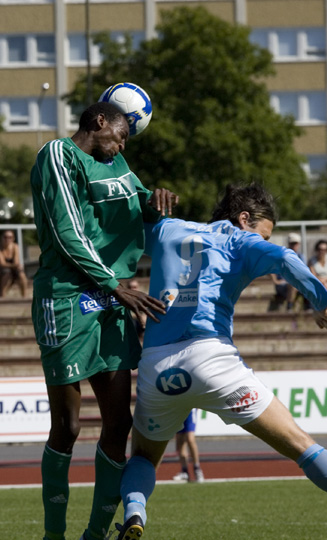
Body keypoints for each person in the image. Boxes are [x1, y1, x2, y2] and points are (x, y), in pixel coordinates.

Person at [114, 184, 327, 540]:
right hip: (211, 358)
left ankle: (135, 514)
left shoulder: (170, 228)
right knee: (301, 444)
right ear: (244, 219)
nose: (264, 240)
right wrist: (321, 302)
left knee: (142, 458)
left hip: (157, 364)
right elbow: (286, 259)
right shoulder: (239, 240)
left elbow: (122, 234)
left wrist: (145, 206)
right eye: (264, 232)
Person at [29, 101, 178, 540]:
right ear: (99, 123)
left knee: (118, 424)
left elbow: (126, 218)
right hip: (67, 299)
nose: (122, 145)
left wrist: (153, 205)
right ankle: (53, 535)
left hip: (110, 300)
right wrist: (116, 286)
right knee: (68, 426)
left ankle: (95, 536)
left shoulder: (115, 167)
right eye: (121, 136)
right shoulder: (57, 154)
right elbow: (67, 230)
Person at [269, 232, 309, 311]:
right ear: (289, 243)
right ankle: (290, 307)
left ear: (299, 244)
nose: (294, 245)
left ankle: (306, 306)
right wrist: (275, 281)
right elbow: (270, 267)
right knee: (293, 284)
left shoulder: (301, 256)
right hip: (283, 284)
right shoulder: (281, 255)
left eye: (295, 243)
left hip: (295, 283)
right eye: (292, 243)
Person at [172, 409, 204, 483]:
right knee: (180, 440)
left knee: (190, 438)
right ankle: (184, 471)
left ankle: (197, 469)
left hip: (190, 408)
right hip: (178, 409)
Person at [0, 229, 28, 297]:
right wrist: (14, 265)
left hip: (11, 270)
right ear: (1, 237)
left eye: (10, 237)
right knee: (7, 274)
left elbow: (16, 261)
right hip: (2, 271)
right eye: (5, 237)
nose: (7, 239)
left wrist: (15, 266)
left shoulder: (15, 246)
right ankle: (2, 296)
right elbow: (2, 264)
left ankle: (24, 296)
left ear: (13, 238)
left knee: (22, 274)